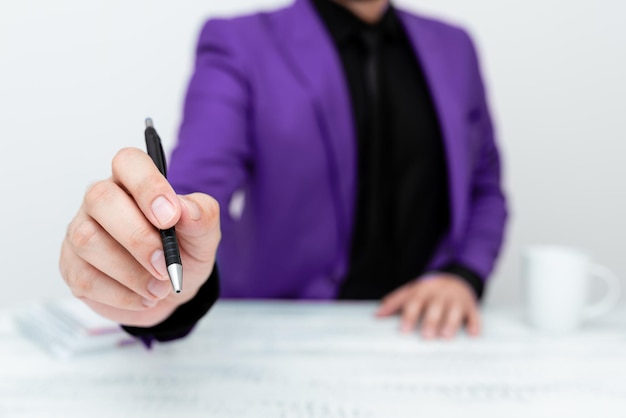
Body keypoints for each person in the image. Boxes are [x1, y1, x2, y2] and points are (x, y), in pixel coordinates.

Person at [59, 0, 507, 345]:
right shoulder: (241, 42)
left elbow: (485, 186)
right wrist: (162, 284)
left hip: (424, 333)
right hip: (286, 332)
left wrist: (463, 274)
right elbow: (198, 192)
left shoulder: (455, 47)